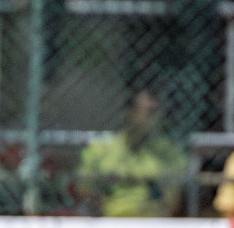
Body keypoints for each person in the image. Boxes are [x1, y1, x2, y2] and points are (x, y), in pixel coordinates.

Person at [78, 89, 186, 218]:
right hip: (109, 221)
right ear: (130, 112)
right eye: (148, 112)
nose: (152, 119)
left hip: (154, 224)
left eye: (156, 112)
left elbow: (173, 200)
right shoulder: (101, 148)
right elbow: (83, 189)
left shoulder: (169, 151)